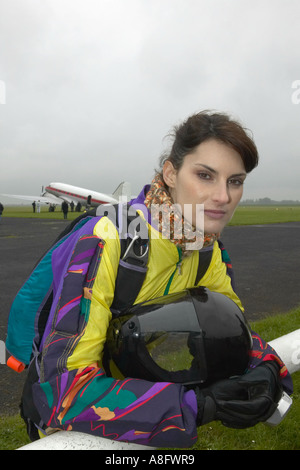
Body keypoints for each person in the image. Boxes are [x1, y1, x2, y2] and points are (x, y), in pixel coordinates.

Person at [26, 111, 293, 447]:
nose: (223, 197)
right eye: (205, 175)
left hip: (145, 429)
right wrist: (194, 405)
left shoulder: (206, 248)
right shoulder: (105, 240)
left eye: (235, 181)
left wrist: (268, 368)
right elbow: (63, 392)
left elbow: (233, 331)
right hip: (78, 438)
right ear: (170, 173)